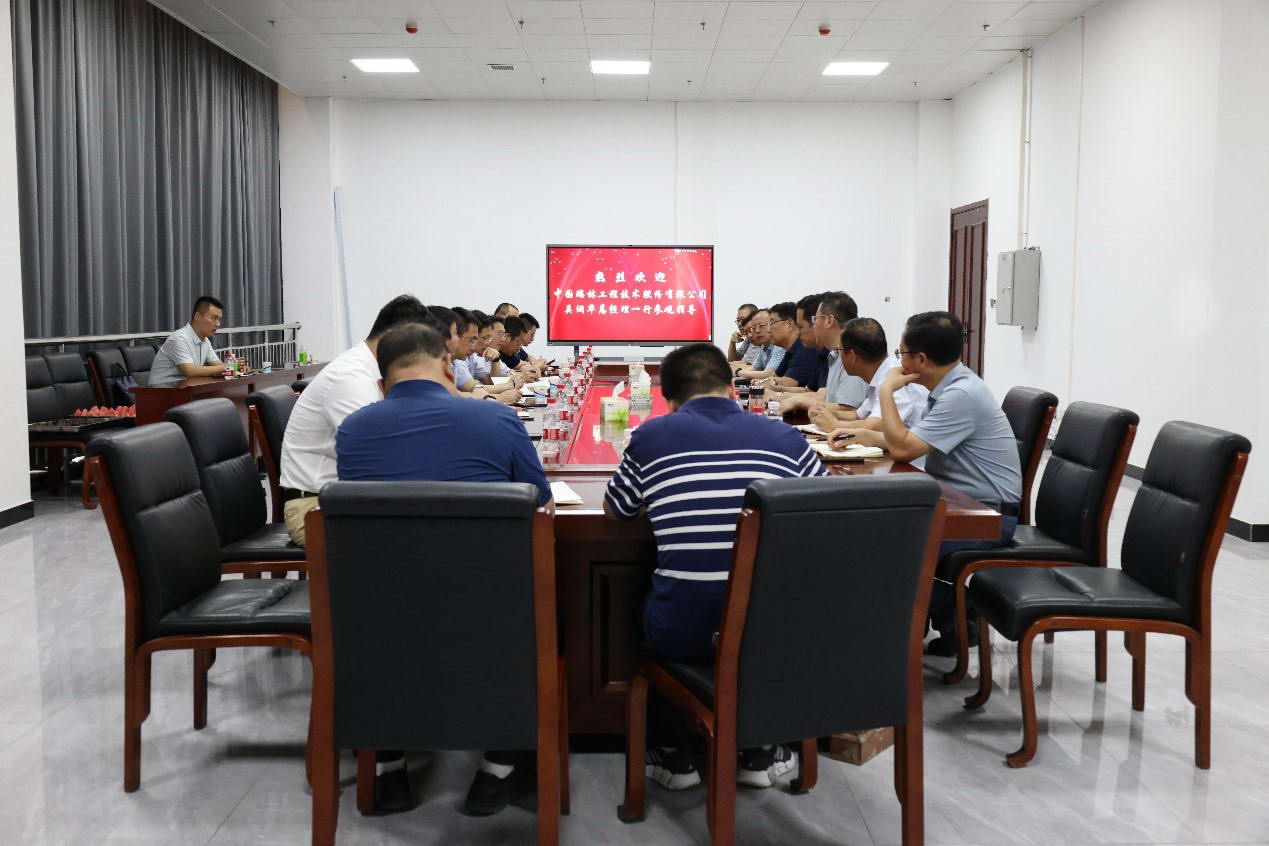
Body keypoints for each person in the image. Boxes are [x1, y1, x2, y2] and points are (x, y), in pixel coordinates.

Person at [336, 321, 554, 817]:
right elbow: (539, 502)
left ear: (381, 381)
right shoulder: (496, 419)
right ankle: (497, 769)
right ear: (449, 366)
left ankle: (389, 769)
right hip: (489, 620)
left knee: (396, 596)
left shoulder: (354, 429)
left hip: (380, 622)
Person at [604, 343, 828, 792]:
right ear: (731, 389)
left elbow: (617, 510)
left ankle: (673, 753)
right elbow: (823, 510)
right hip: (770, 630)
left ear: (668, 399)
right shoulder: (785, 438)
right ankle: (759, 748)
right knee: (760, 601)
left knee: (642, 595)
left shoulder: (651, 436)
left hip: (683, 630)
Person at [835, 311, 1021, 657]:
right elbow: (911, 442)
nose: (898, 361)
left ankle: (951, 624)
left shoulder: (960, 394)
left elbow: (904, 449)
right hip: (959, 503)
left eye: (901, 353)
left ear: (920, 359)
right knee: (880, 533)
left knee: (890, 544)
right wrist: (864, 435)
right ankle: (930, 621)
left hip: (985, 515)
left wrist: (887, 390)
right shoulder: (947, 388)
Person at [278, 294, 432, 547]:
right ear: (394, 337)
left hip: (345, 499)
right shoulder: (351, 379)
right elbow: (373, 459)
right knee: (428, 535)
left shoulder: (371, 370)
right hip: (315, 509)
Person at [815, 318, 927, 433]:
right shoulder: (880, 373)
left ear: (852, 356)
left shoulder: (894, 375)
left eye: (840, 349)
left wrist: (835, 425)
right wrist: (826, 413)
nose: (840, 355)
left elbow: (877, 424)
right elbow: (858, 415)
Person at [781, 291, 867, 416]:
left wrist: (799, 401)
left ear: (829, 321)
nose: (813, 325)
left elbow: (848, 410)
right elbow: (827, 398)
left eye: (815, 319)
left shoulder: (852, 355)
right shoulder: (834, 355)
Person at [147, 296, 227, 384]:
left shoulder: (205, 341)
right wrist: (225, 367)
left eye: (219, 319)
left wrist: (234, 365)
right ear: (197, 316)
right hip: (161, 388)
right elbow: (190, 371)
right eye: (213, 318)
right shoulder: (179, 338)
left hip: (184, 387)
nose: (218, 324)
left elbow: (219, 365)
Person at [450, 307, 519, 403]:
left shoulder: (465, 358)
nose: (488, 343)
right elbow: (455, 396)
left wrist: (495, 361)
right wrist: (500, 396)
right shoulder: (454, 360)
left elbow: (480, 386)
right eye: (471, 340)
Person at [732, 309, 786, 380]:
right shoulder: (764, 345)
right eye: (754, 327)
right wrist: (734, 372)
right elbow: (754, 368)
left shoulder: (779, 345)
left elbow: (769, 374)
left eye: (761, 326)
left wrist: (738, 372)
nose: (757, 331)